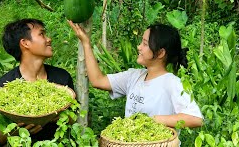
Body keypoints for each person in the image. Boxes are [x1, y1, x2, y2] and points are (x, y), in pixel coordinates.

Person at [68, 21, 203, 142]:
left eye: (144, 44)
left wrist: (154, 120)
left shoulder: (172, 83)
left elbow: (195, 118)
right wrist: (86, 43)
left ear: (160, 53)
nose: (139, 47)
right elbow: (97, 81)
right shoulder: (134, 77)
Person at [0, 19, 74, 144]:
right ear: (25, 43)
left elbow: (75, 119)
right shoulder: (4, 87)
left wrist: (56, 116)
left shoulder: (62, 78)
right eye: (42, 34)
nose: (49, 39)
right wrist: (17, 131)